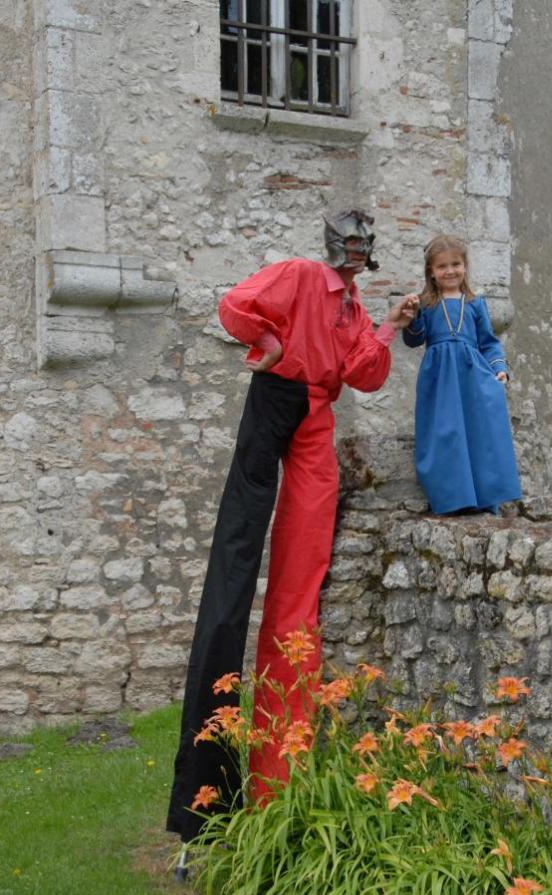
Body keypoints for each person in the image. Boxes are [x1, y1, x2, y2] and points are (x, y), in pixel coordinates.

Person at [166, 210, 419, 846]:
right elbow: (235, 305)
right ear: (335, 244)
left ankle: (280, 774)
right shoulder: (302, 275)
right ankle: (202, 798)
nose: (358, 253)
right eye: (352, 243)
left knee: (299, 584)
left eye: (366, 245)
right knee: (236, 564)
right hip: (275, 398)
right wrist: (271, 345)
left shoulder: (356, 308)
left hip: (316, 417)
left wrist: (388, 327)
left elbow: (364, 373)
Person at [403, 234, 521, 515]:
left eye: (455, 264)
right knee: (446, 434)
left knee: (479, 431)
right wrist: (414, 315)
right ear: (431, 271)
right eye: (442, 266)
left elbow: (489, 342)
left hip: (472, 377)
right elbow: (413, 339)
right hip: (439, 380)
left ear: (465, 266)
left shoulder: (475, 303)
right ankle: (452, 498)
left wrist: (499, 369)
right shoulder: (426, 303)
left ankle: (484, 496)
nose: (450, 271)